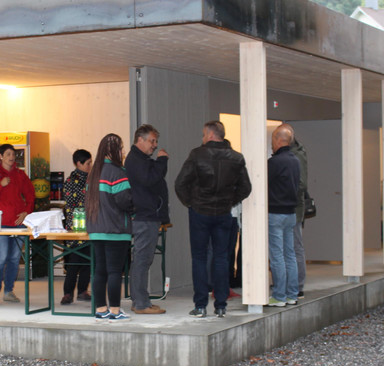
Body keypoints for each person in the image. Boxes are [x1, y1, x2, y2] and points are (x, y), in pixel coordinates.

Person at [174, 120, 252, 318]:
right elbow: (246, 188)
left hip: (199, 212)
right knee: (221, 258)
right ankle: (221, 305)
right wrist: (229, 202)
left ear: (210, 135)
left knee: (199, 258)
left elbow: (180, 183)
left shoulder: (197, 155)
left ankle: (201, 305)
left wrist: (191, 203)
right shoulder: (237, 158)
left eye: (203, 134)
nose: (202, 138)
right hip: (223, 213)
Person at [85, 133, 134, 321]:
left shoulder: (93, 174)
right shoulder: (117, 172)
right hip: (115, 230)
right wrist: (135, 206)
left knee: (100, 270)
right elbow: (124, 201)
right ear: (113, 150)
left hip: (96, 230)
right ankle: (115, 311)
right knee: (114, 271)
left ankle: (101, 309)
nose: (123, 152)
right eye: (121, 148)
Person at [124, 124, 169, 315]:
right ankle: (141, 303)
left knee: (143, 260)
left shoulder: (140, 159)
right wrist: (162, 161)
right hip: (144, 217)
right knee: (142, 260)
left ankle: (141, 300)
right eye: (152, 141)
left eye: (156, 141)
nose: (155, 145)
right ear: (140, 140)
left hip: (148, 215)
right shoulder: (136, 160)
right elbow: (150, 179)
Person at [0, 143, 35, 305]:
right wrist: (0, 185)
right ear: (0, 156)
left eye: (13, 154)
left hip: (19, 223)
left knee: (14, 258)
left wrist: (26, 212)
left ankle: (9, 291)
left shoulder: (20, 175)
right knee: (1, 257)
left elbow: (31, 195)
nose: (12, 157)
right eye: (8, 154)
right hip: (0, 224)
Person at [267, 124, 301, 307]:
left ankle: (279, 295)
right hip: (291, 214)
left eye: (273, 139)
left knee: (277, 255)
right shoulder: (295, 160)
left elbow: (264, 184)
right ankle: (291, 294)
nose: (271, 143)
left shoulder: (274, 163)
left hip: (275, 213)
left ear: (279, 140)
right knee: (290, 254)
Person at [60, 148, 93, 305]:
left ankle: (82, 290)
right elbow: (71, 206)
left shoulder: (92, 179)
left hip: (90, 225)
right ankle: (68, 293)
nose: (90, 166)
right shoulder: (70, 181)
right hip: (75, 227)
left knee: (88, 259)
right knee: (73, 261)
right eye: (88, 163)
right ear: (78, 163)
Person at [287, 128, 309, 297]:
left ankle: (297, 285)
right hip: (292, 207)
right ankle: (292, 283)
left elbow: (301, 184)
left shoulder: (296, 156)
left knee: (295, 247)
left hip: (294, 209)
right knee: (291, 248)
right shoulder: (295, 153)